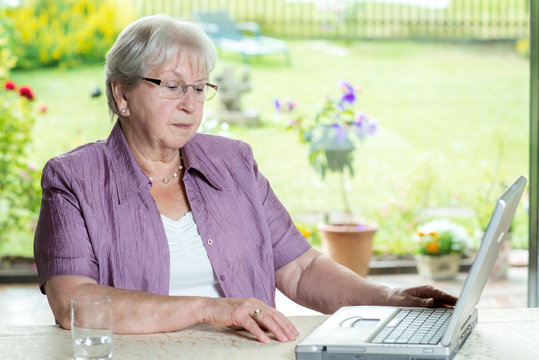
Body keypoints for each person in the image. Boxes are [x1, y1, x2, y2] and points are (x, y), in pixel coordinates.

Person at [33, 14, 456, 344]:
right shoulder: (74, 179)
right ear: (121, 95)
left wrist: (390, 300)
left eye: (199, 89)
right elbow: (72, 302)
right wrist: (209, 308)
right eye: (173, 86)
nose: (190, 105)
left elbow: (301, 268)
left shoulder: (233, 161)